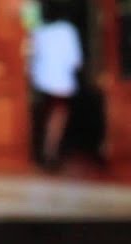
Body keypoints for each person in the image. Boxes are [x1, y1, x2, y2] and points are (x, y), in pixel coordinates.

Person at [29, 1, 83, 171]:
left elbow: (32, 54)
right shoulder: (67, 30)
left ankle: (46, 151)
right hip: (60, 83)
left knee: (47, 115)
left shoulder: (39, 30)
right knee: (58, 117)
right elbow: (75, 60)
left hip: (40, 81)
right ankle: (50, 152)